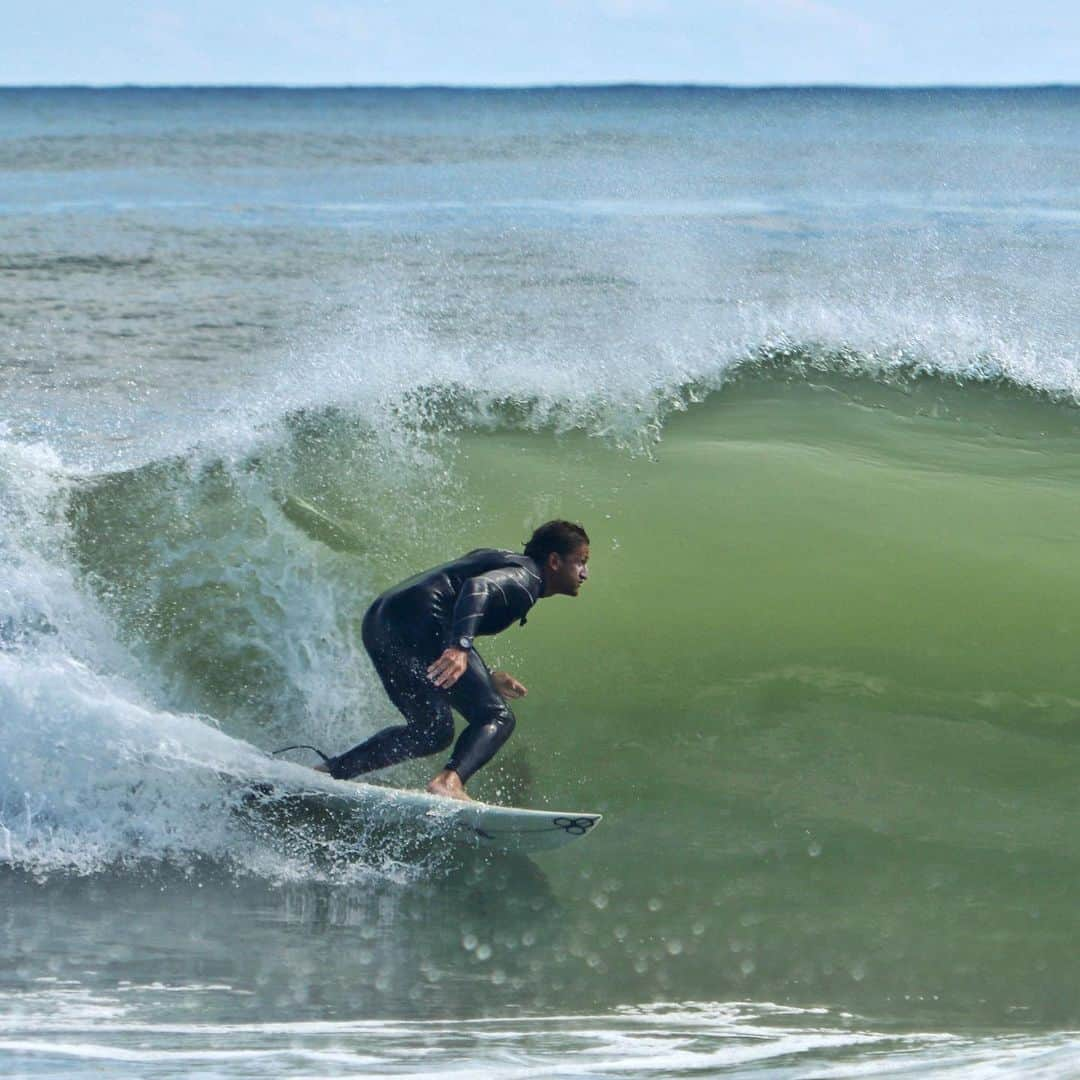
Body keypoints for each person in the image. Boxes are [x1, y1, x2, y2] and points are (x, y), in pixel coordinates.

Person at [315, 520, 590, 801]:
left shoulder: (503, 560)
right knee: (497, 716)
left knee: (432, 729)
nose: (585, 573)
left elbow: (452, 605)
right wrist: (460, 647)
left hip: (382, 620)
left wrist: (485, 673)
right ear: (554, 561)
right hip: (420, 620)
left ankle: (328, 773)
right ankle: (449, 783)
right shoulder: (527, 579)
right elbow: (477, 588)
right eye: (581, 562)